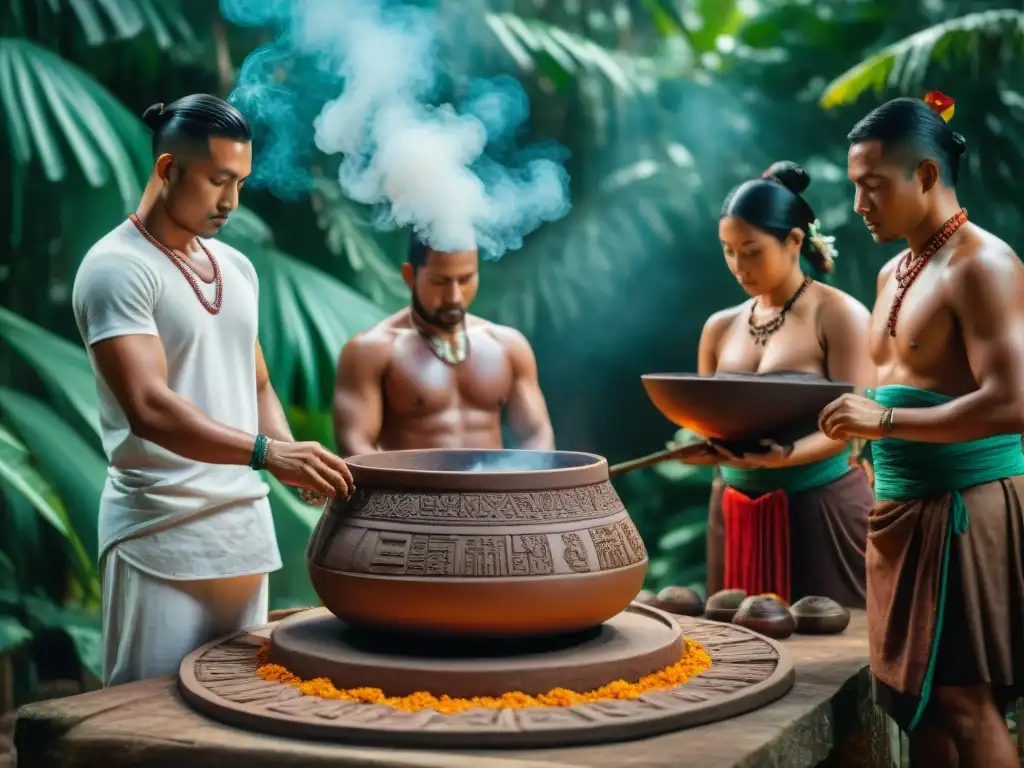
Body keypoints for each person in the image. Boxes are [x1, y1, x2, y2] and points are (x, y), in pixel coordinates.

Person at [71, 94, 354, 687]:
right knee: (144, 722)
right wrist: (268, 454)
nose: (231, 201)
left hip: (243, 535)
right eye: (218, 180)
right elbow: (148, 407)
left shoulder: (236, 266)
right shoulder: (116, 267)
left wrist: (288, 456)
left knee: (236, 716)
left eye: (241, 182)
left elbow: (255, 382)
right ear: (168, 169)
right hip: (158, 536)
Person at [819, 93, 1024, 768]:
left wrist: (882, 419)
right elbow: (906, 384)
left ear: (927, 177)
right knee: (924, 707)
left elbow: (1015, 399)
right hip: (901, 512)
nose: (859, 205)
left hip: (964, 512)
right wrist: (867, 437)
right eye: (855, 187)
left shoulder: (983, 266)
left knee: (967, 704)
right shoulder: (891, 269)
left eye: (872, 187)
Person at [692, 161, 874, 609]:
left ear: (794, 241)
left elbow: (856, 423)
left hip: (819, 506)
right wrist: (704, 444)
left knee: (829, 645)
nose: (738, 265)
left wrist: (788, 456)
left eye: (751, 250)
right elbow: (704, 414)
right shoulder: (718, 327)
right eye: (728, 250)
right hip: (733, 506)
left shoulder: (839, 315)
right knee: (736, 645)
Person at [332, 237, 555, 454]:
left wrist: (522, 482)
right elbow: (355, 445)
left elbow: (536, 433)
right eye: (440, 281)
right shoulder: (372, 350)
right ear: (410, 276)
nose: (454, 297)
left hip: (492, 489)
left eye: (466, 279)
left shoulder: (508, 345)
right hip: (409, 490)